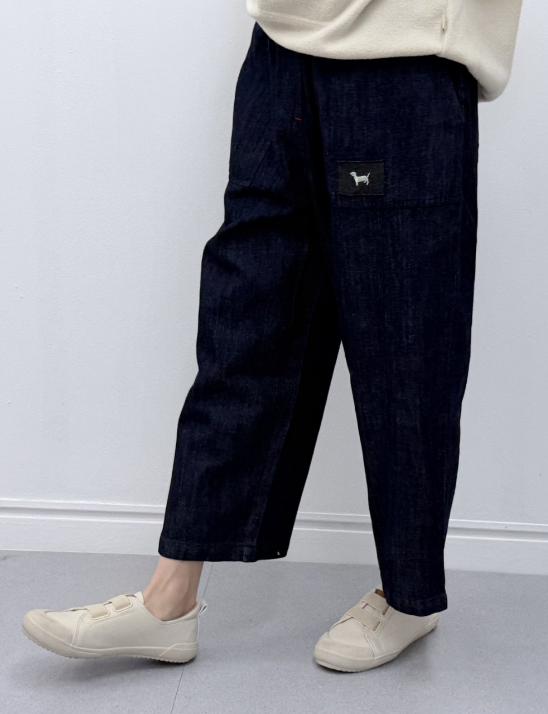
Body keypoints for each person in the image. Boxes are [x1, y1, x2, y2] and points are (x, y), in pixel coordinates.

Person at [22, 0, 523, 672]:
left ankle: (409, 597)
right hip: (279, 52)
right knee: (243, 323)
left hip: (400, 59)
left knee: (402, 345)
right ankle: (169, 601)